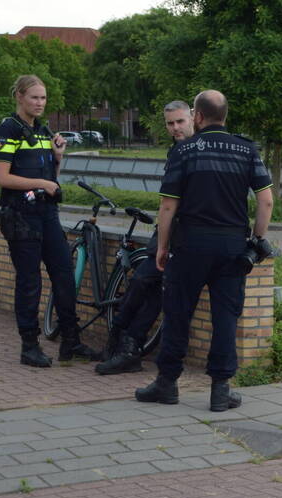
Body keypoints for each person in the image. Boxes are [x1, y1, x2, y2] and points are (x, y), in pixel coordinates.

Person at [135, 90, 274, 412]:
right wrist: (256, 239)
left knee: (178, 313)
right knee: (225, 318)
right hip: (232, 247)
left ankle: (167, 384)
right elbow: (266, 200)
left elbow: (169, 205)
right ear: (225, 115)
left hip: (190, 246)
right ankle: (220, 391)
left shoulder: (184, 151)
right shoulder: (246, 149)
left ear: (197, 116)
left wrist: (163, 246)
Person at [0, 74, 98, 367]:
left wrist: (58, 157)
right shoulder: (8, 129)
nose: (40, 103)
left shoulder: (42, 131)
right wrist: (40, 181)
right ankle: (29, 346)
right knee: (29, 282)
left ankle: (71, 342)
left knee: (64, 275)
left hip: (47, 213)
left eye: (43, 98)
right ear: (20, 97)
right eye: (35, 97)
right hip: (21, 215)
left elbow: (53, 180)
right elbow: (2, 177)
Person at [96, 100, 195, 375]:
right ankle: (120, 342)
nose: (175, 127)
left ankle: (127, 347)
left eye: (180, 121)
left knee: (151, 286)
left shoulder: (197, 149)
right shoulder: (175, 149)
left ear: (193, 118)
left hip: (185, 235)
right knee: (143, 283)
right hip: (168, 231)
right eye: (170, 123)